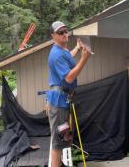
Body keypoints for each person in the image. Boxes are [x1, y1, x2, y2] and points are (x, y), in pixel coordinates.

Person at [47, 21, 91, 167]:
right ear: (53, 35)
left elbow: (68, 57)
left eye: (66, 31)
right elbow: (69, 77)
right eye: (60, 32)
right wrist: (84, 59)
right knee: (58, 140)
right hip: (59, 101)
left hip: (62, 99)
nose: (65, 34)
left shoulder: (62, 50)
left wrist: (77, 49)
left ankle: (58, 164)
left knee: (62, 135)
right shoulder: (56, 55)